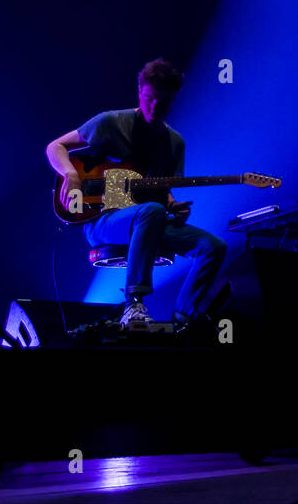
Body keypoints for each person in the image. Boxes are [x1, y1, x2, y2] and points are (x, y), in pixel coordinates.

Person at [45, 58, 227, 329]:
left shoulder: (175, 143)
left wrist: (174, 206)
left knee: (212, 247)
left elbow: (161, 192)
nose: (155, 107)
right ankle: (134, 304)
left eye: (163, 102)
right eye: (150, 98)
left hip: (148, 218)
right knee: (150, 212)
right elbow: (55, 146)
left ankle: (182, 321)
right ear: (140, 91)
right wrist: (70, 174)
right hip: (103, 221)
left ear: (173, 100)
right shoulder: (112, 122)